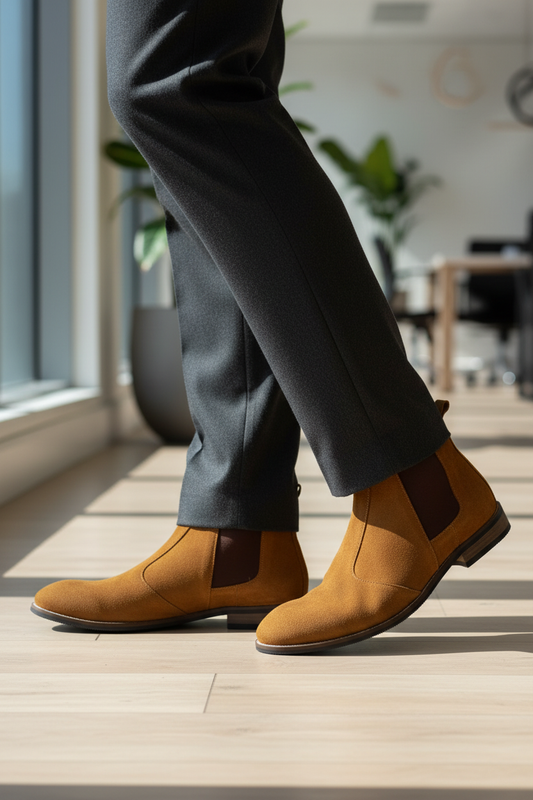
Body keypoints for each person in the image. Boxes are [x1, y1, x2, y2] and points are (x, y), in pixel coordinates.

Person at [31, 0, 509, 654]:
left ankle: (414, 480)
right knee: (204, 94)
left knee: (173, 82)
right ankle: (235, 536)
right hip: (235, 531)